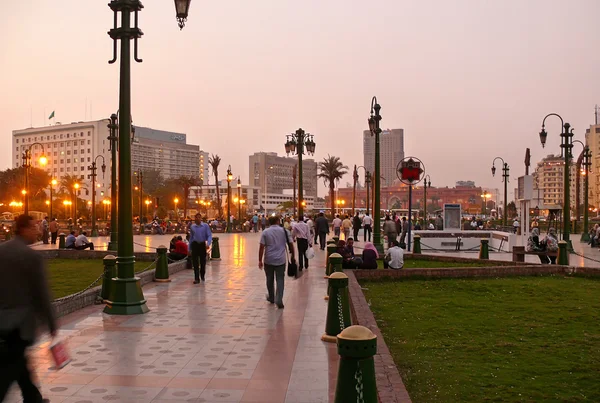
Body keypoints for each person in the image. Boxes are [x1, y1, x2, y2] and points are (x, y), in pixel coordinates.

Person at [0, 214, 57, 403]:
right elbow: (41, 294)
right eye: (34, 227)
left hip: (3, 321)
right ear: (23, 229)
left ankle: (34, 399)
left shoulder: (2, 250)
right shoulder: (31, 256)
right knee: (11, 369)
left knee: (20, 364)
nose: (38, 230)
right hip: (20, 324)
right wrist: (51, 323)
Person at [258, 216, 294, 309]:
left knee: (269, 279)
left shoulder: (265, 232)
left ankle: (271, 297)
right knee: (280, 279)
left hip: (268, 259)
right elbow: (291, 244)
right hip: (281, 260)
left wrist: (260, 260)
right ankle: (279, 299)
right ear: (278, 221)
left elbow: (262, 246)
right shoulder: (285, 231)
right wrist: (293, 255)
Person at [189, 213, 212, 284]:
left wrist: (208, 243)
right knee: (195, 262)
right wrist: (189, 249)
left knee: (203, 262)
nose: (198, 219)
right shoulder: (192, 227)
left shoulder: (205, 226)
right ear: (194, 219)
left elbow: (209, 235)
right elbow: (191, 238)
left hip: (202, 245)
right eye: (196, 218)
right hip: (195, 244)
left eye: (199, 217)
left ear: (201, 218)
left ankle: (202, 274)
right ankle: (196, 278)